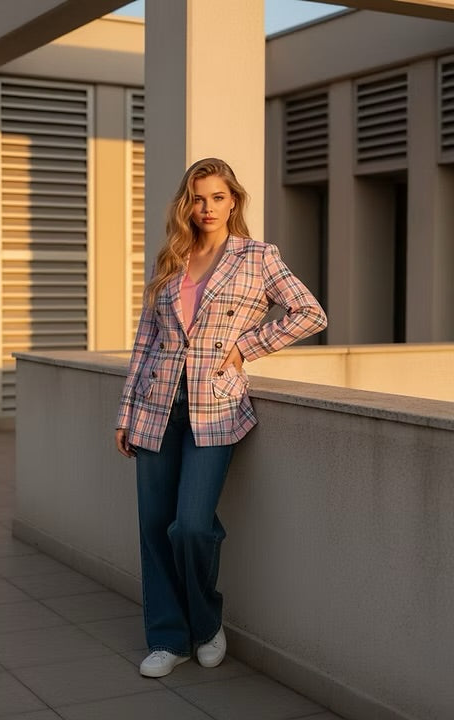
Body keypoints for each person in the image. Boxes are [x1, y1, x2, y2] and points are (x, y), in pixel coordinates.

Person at [115, 157, 327, 678]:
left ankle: (207, 623)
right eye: (197, 198)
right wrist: (125, 412)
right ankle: (168, 638)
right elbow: (146, 341)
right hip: (157, 405)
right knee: (153, 526)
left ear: (233, 202)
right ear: (186, 204)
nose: (206, 208)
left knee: (191, 526)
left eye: (217, 197)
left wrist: (245, 347)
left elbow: (310, 313)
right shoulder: (172, 257)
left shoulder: (258, 256)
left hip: (215, 408)